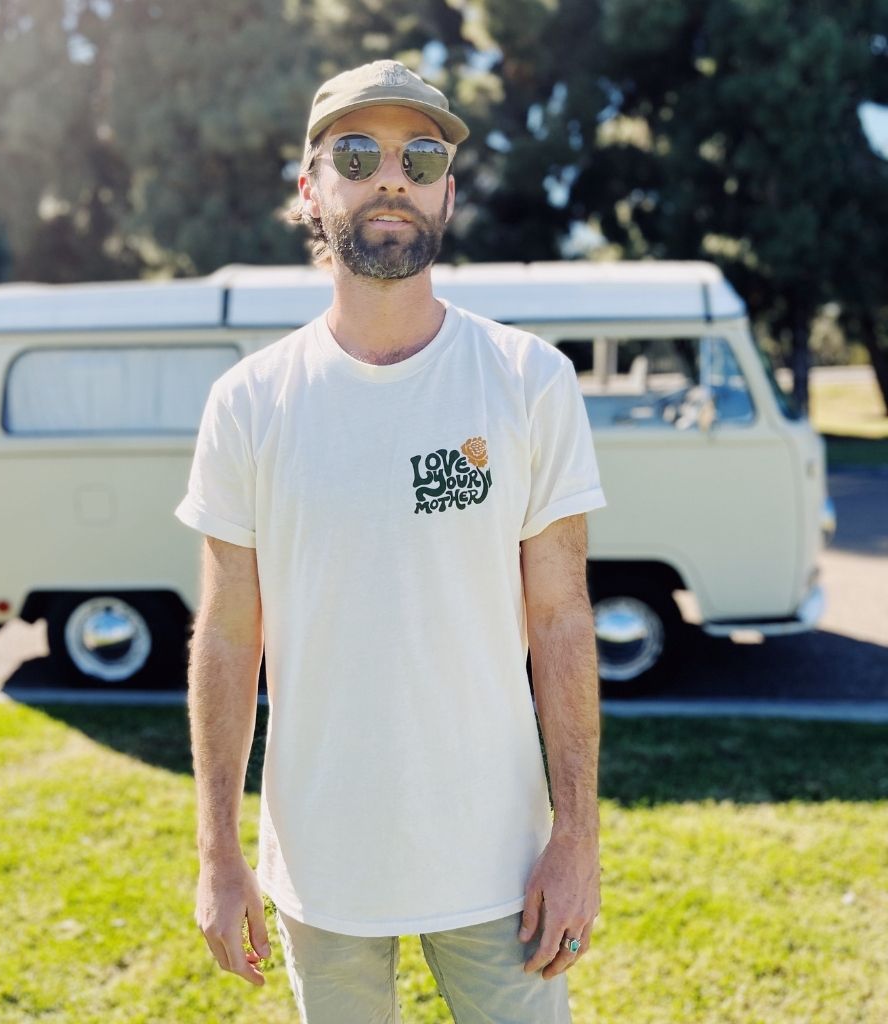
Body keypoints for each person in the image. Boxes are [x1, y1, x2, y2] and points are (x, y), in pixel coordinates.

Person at [175, 59, 607, 1024]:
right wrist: (218, 852)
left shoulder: (528, 379)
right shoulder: (249, 402)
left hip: (501, 862)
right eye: (358, 154)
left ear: (447, 191)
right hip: (323, 866)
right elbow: (230, 637)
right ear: (311, 189)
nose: (391, 179)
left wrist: (576, 836)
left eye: (420, 157)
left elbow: (561, 617)